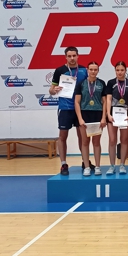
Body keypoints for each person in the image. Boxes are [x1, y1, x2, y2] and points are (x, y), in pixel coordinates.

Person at [49, 46, 88, 176]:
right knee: (63, 136)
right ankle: (63, 164)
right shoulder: (59, 71)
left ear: (78, 56)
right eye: (69, 56)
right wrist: (53, 90)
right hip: (65, 108)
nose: (72, 58)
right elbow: (51, 90)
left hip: (80, 108)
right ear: (65, 57)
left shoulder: (84, 70)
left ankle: (85, 161)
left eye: (74, 56)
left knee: (82, 137)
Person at [74, 61, 107, 177]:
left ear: (98, 71)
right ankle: (87, 167)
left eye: (95, 69)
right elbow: (77, 102)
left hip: (97, 114)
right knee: (85, 142)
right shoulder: (81, 84)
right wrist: (80, 119)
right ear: (87, 70)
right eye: (91, 69)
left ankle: (97, 166)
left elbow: (104, 102)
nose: (93, 71)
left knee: (96, 142)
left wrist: (103, 118)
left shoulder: (102, 83)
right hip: (84, 114)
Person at [106, 60, 128, 175]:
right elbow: (109, 99)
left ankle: (122, 165)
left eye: (122, 70)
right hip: (113, 115)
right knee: (112, 140)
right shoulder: (111, 82)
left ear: (125, 71)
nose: (120, 72)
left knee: (124, 140)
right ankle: (112, 165)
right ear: (115, 71)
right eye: (117, 70)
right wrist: (108, 114)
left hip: (125, 115)